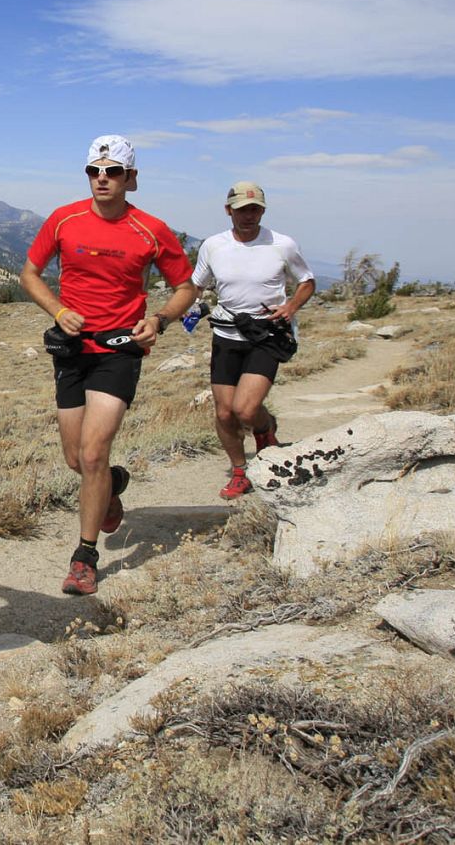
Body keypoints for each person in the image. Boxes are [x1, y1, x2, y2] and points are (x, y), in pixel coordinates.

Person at [19, 135, 197, 596]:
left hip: (119, 349)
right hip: (72, 350)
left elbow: (186, 288)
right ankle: (112, 486)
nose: (103, 178)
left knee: (93, 453)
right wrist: (58, 311)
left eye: (113, 171)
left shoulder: (151, 230)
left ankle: (84, 557)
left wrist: (158, 320)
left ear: (130, 179)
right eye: (95, 171)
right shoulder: (64, 219)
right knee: (77, 459)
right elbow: (29, 275)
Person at [188, 181, 316, 498]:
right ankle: (240, 471)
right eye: (243, 209)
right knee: (224, 413)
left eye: (255, 209)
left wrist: (291, 306)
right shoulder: (213, 246)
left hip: (266, 334)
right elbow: (196, 284)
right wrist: (187, 308)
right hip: (226, 334)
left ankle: (263, 428)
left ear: (263, 210)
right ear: (228, 209)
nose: (249, 216)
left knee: (246, 409)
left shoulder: (282, 244)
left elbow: (307, 281)